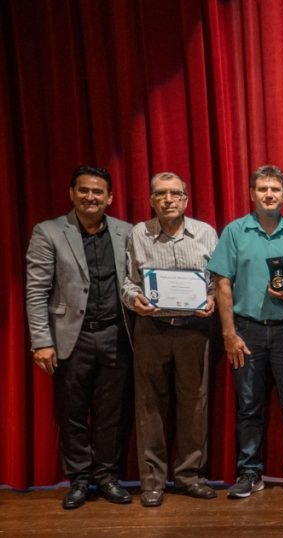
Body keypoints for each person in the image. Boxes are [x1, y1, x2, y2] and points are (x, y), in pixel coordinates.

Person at [25, 166, 134, 509]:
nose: (91, 197)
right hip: (71, 339)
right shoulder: (49, 232)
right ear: (72, 193)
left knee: (110, 413)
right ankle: (79, 480)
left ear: (110, 198)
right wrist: (41, 340)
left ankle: (106, 477)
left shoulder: (127, 232)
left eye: (98, 192)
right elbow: (36, 290)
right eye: (84, 190)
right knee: (72, 413)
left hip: (117, 335)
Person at [208, 165, 283, 499]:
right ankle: (250, 472)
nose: (269, 194)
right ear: (252, 194)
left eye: (275, 190)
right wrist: (228, 333)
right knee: (248, 406)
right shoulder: (235, 232)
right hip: (246, 331)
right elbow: (222, 282)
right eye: (262, 189)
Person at [121, 171, 219, 508]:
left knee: (195, 403)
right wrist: (134, 300)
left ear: (186, 199)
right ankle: (152, 481)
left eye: (175, 194)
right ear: (151, 200)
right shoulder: (139, 234)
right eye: (160, 194)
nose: (168, 199)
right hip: (152, 330)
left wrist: (212, 300)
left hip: (194, 330)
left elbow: (215, 281)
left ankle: (190, 476)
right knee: (150, 406)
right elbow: (128, 282)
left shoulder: (205, 233)